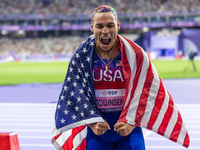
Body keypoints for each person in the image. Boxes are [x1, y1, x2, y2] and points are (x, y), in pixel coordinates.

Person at [52, 5, 189, 150]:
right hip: (97, 131)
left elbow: (149, 91)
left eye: (110, 25)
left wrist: (132, 123)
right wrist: (92, 123)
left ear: (117, 25)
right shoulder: (82, 55)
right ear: (92, 27)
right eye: (100, 26)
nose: (105, 31)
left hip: (130, 130)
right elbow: (74, 92)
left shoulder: (135, 54)